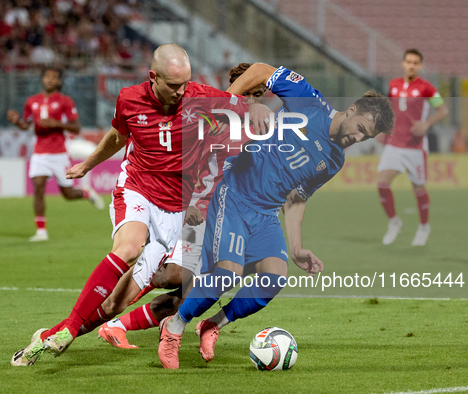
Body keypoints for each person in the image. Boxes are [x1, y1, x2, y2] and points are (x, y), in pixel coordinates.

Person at [10, 44, 262, 367]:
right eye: (173, 86)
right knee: (128, 247)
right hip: (138, 189)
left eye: (186, 83)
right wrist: (88, 164)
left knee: (116, 304)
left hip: (180, 211)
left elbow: (255, 99)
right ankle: (70, 329)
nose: (181, 91)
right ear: (153, 77)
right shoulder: (129, 99)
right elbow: (117, 138)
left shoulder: (201, 99)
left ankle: (49, 336)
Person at [157, 63, 396, 369]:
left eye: (366, 138)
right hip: (235, 194)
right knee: (227, 273)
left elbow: (297, 199)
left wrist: (296, 248)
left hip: (266, 213)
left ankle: (212, 324)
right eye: (361, 129)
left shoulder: (335, 160)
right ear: (351, 111)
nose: (358, 139)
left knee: (274, 277)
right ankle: (174, 327)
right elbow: (259, 70)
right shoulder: (308, 100)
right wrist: (235, 102)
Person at [96, 63, 267, 349]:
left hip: (222, 215)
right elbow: (181, 161)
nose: (254, 100)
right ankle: (109, 303)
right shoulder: (211, 118)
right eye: (250, 93)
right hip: (192, 208)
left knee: (192, 291)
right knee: (177, 274)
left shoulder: (255, 126)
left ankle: (116, 324)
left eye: (260, 95)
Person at [7, 67, 104, 242]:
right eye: (47, 76)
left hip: (59, 153)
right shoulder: (32, 101)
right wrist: (16, 122)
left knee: (67, 194)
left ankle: (86, 193)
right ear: (42, 79)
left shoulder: (65, 101)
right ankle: (41, 231)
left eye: (54, 77)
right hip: (40, 153)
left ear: (59, 81)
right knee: (38, 187)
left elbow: (76, 127)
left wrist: (56, 124)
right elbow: (26, 124)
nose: (50, 79)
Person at [377, 49, 448, 246]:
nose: (411, 65)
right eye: (408, 61)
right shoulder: (394, 85)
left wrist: (427, 124)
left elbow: (443, 110)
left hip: (415, 147)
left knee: (418, 188)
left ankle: (424, 227)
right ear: (403, 63)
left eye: (415, 62)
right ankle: (394, 222)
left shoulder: (427, 88)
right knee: (382, 184)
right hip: (394, 144)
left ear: (420, 66)